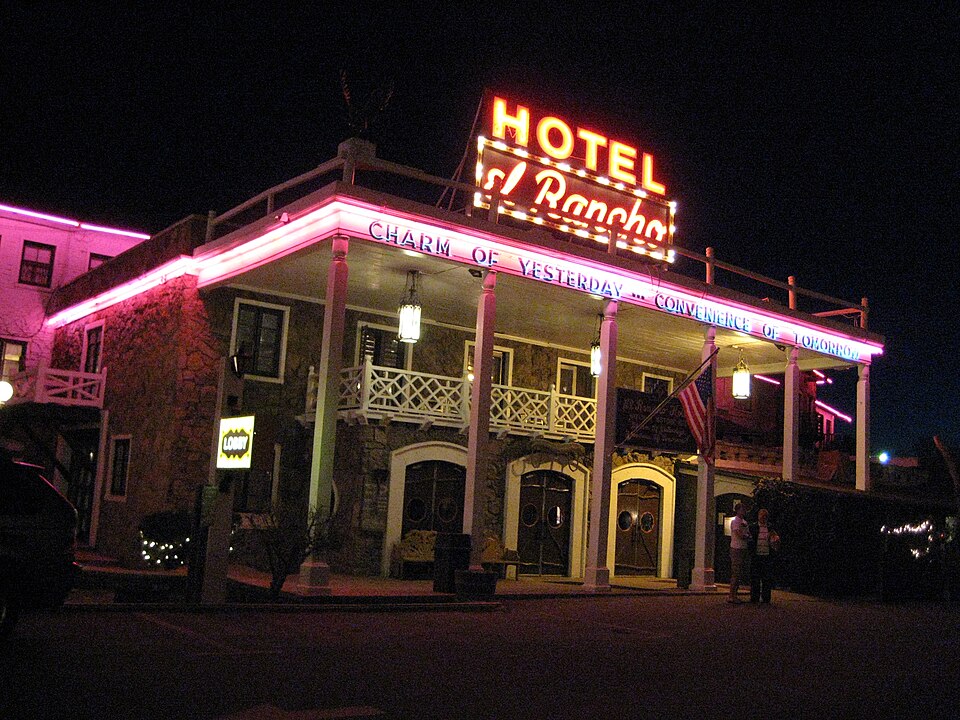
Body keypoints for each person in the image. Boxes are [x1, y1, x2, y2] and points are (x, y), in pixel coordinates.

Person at [749, 508, 780, 604]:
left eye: (765, 516)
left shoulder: (770, 527)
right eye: (761, 516)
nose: (763, 518)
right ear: (758, 516)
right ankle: (755, 597)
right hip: (756, 555)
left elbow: (775, 539)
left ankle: (766, 598)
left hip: (767, 555)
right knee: (755, 578)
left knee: (766, 578)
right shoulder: (753, 527)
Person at [728, 502, 751, 603]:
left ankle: (735, 594)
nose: (744, 511)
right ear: (737, 510)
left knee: (739, 572)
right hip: (736, 548)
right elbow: (739, 534)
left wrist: (747, 536)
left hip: (742, 548)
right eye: (742, 509)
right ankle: (731, 595)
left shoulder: (744, 522)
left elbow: (748, 533)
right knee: (736, 572)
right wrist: (747, 537)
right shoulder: (735, 521)